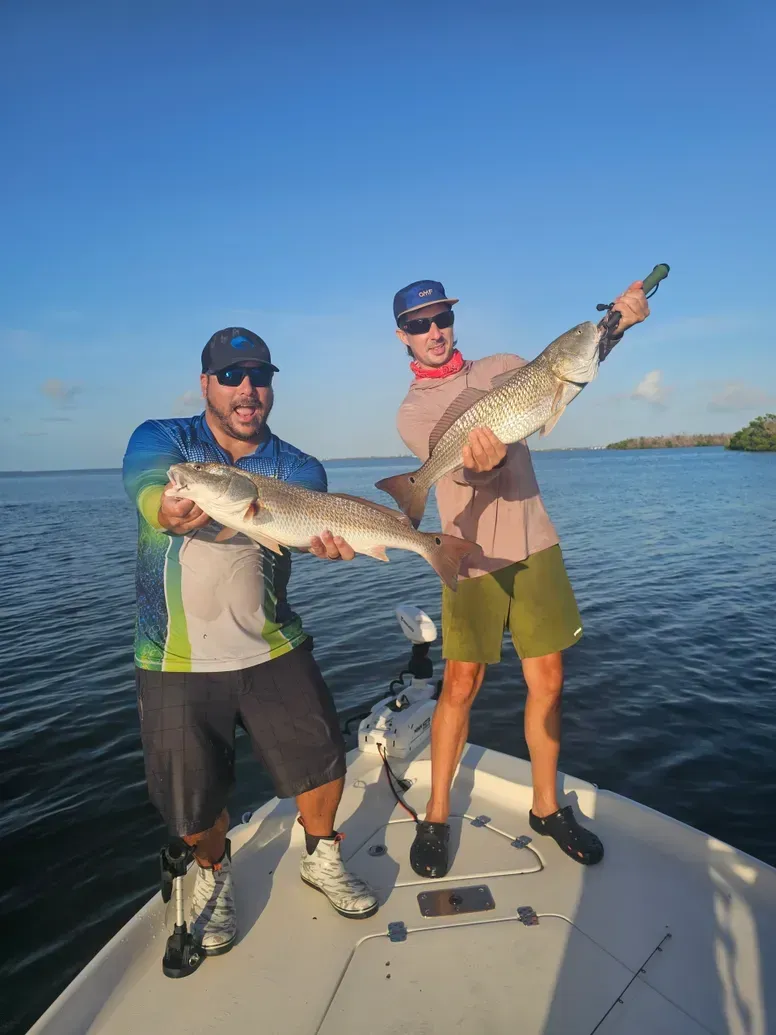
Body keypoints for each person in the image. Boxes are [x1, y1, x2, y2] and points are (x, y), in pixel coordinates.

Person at [122, 326, 376, 957]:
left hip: (272, 646)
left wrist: (338, 544)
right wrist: (166, 508)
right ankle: (214, 874)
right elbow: (150, 482)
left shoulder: (299, 468)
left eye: (259, 376)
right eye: (231, 376)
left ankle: (320, 855)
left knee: (322, 761)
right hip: (173, 657)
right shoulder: (167, 439)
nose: (246, 389)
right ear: (206, 382)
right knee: (191, 797)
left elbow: (312, 532)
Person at [386, 279, 649, 877]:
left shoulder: (505, 367)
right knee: (460, 685)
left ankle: (547, 807)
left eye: (442, 318)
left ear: (454, 320)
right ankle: (435, 812)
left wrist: (616, 325)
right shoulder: (414, 411)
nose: (434, 332)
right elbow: (469, 476)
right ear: (403, 336)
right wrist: (487, 464)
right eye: (420, 324)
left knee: (550, 682)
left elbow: (566, 370)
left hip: (536, 543)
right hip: (469, 554)